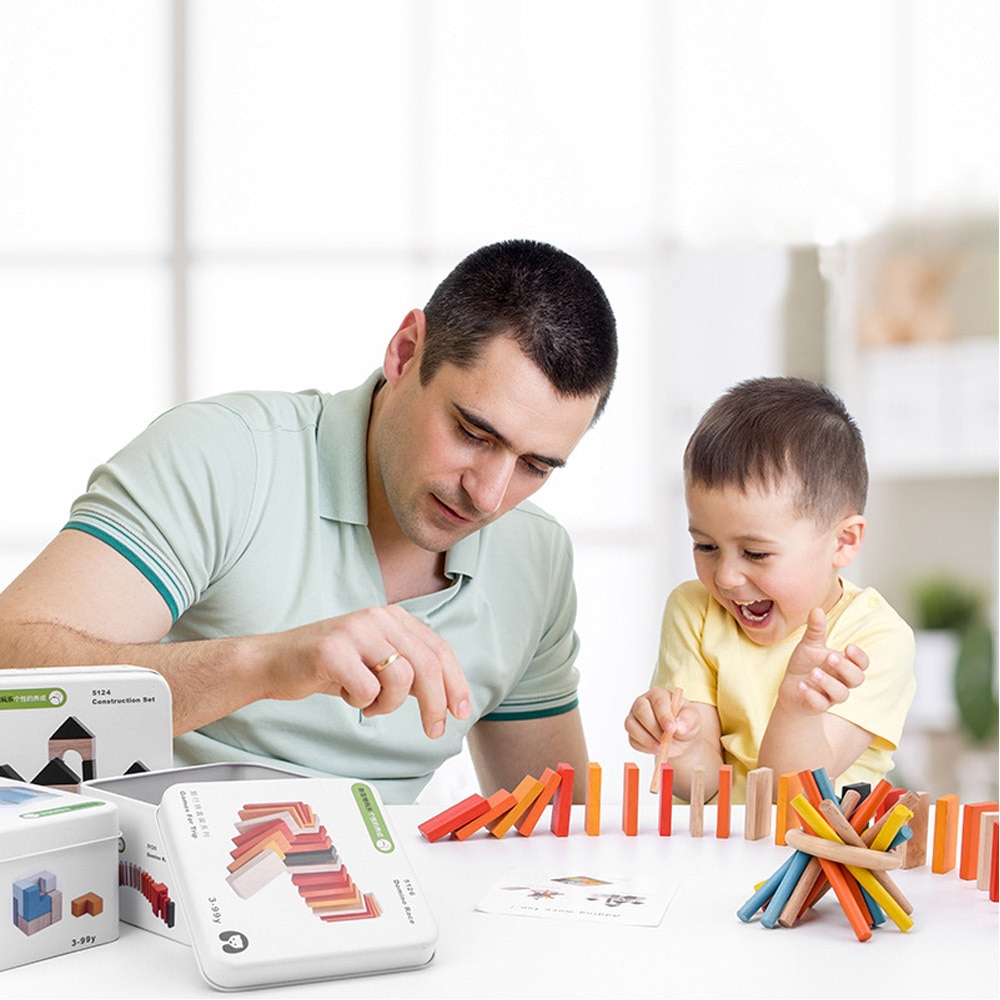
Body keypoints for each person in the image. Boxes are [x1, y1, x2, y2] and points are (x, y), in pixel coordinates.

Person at [0, 239, 618, 804]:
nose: (489, 496)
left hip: (389, 906)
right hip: (154, 898)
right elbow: (10, 679)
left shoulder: (536, 557)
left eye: (536, 466)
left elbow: (551, 829)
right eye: (472, 432)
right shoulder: (225, 457)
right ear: (406, 353)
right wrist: (267, 666)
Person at [624, 376, 915, 803]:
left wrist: (796, 707)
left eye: (756, 554)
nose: (725, 577)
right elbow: (700, 789)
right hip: (723, 852)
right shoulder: (695, 610)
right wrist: (681, 747)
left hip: (823, 854)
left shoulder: (874, 639)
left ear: (843, 541)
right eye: (705, 546)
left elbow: (789, 795)